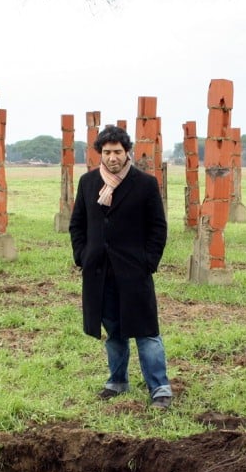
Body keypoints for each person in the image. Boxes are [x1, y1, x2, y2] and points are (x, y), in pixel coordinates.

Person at [68, 125, 172, 409]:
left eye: (117, 151)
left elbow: (158, 228)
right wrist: (83, 255)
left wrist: (148, 262)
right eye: (106, 152)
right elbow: (77, 223)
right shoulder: (88, 182)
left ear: (127, 153)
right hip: (99, 271)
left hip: (134, 271)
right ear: (99, 154)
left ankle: (160, 387)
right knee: (113, 330)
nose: (112, 157)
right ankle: (117, 381)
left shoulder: (145, 184)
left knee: (146, 331)